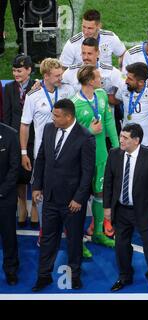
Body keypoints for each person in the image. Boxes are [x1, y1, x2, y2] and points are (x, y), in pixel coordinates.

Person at [31, 99, 95, 292]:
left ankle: (75, 276)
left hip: (72, 202)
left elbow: (87, 172)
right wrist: (36, 186)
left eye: (57, 115)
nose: (53, 118)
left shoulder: (85, 137)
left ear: (68, 117)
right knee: (48, 238)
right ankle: (43, 276)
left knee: (74, 240)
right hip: (49, 197)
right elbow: (41, 158)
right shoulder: (49, 129)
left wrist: (78, 198)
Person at [103, 123, 148, 293]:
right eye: (120, 136)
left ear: (136, 140)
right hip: (121, 209)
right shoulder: (114, 154)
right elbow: (109, 182)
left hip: (145, 210)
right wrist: (107, 206)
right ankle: (124, 276)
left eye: (125, 137)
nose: (120, 140)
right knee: (121, 246)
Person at [20, 58, 75, 244]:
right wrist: (23, 153)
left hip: (67, 152)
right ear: (46, 76)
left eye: (61, 74)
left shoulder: (67, 89)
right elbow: (25, 125)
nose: (61, 77)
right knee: (41, 193)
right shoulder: (33, 96)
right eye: (57, 75)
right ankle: (45, 229)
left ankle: (68, 228)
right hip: (43, 155)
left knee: (67, 189)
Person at [71, 64, 119, 254]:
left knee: (100, 194)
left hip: (101, 156)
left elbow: (109, 121)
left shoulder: (100, 96)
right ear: (90, 81)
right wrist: (90, 132)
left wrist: (116, 148)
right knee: (79, 198)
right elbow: (70, 136)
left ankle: (98, 232)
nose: (102, 79)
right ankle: (77, 241)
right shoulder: (74, 104)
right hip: (80, 160)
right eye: (98, 77)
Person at [2, 54, 39, 228]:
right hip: (15, 138)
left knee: (33, 171)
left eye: (19, 70)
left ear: (29, 70)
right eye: (14, 70)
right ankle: (22, 204)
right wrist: (9, 139)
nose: (16, 73)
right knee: (18, 174)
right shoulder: (9, 88)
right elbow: (7, 115)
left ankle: (35, 207)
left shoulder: (37, 86)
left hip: (34, 136)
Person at [60, 9, 126, 68]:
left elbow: (123, 54)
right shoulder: (72, 43)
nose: (85, 32)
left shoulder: (110, 38)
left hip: (105, 79)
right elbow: (63, 68)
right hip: (81, 80)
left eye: (90, 28)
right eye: (84, 27)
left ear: (99, 26)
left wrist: (121, 72)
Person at [0, 122, 20, 286]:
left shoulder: (11, 135)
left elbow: (15, 168)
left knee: (8, 235)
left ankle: (11, 269)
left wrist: (1, 191)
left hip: (5, 196)